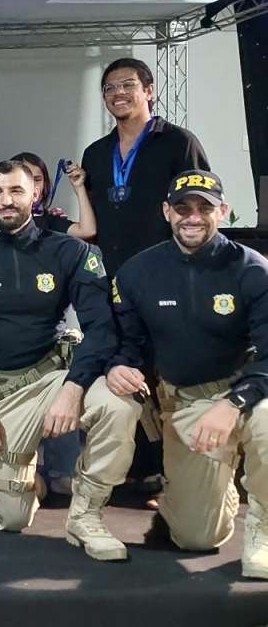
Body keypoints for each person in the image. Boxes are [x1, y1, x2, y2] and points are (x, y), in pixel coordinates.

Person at [0, 160, 141, 560]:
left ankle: (87, 516)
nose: (6, 201)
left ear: (35, 194)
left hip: (54, 378)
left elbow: (101, 328)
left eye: (16, 191)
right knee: (10, 518)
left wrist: (73, 388)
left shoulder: (72, 251)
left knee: (118, 404)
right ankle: (16, 478)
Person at [110, 170, 268, 579]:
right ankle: (217, 485)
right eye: (183, 208)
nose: (193, 217)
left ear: (223, 211)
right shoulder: (138, 273)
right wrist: (119, 366)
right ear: (167, 212)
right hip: (188, 399)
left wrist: (233, 404)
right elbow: (129, 345)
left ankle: (263, 529)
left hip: (250, 391)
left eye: (204, 208)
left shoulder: (254, 269)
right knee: (196, 537)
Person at [81, 58, 209, 276]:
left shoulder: (179, 142)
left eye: (128, 85)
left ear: (149, 91)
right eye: (110, 88)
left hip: (166, 271)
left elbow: (200, 207)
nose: (118, 92)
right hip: (108, 273)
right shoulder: (95, 153)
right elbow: (91, 217)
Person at [0, 153, 96, 242]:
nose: (31, 186)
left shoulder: (49, 219)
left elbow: (87, 231)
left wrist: (79, 187)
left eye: (37, 179)